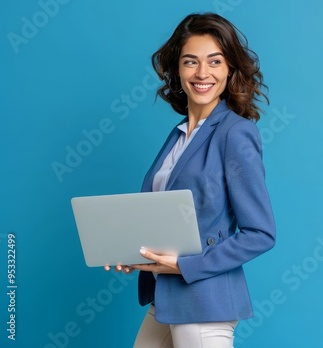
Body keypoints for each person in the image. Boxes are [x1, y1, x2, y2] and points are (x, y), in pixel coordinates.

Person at [104, 12, 276, 348]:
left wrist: (186, 266)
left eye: (214, 61)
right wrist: (132, 250)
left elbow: (261, 233)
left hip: (204, 302)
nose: (202, 73)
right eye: (190, 61)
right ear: (177, 71)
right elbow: (167, 216)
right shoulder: (179, 135)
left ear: (230, 69)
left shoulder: (235, 133)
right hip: (165, 300)